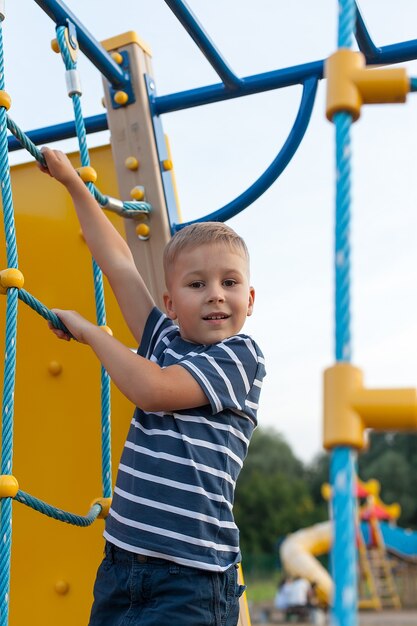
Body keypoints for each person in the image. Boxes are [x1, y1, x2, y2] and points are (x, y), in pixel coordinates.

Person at [39, 147, 266, 626]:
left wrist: (93, 333)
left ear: (249, 298)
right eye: (196, 284)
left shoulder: (240, 357)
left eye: (229, 282)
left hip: (192, 579)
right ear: (170, 301)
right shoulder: (162, 337)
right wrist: (72, 184)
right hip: (122, 564)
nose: (215, 295)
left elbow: (156, 391)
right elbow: (119, 263)